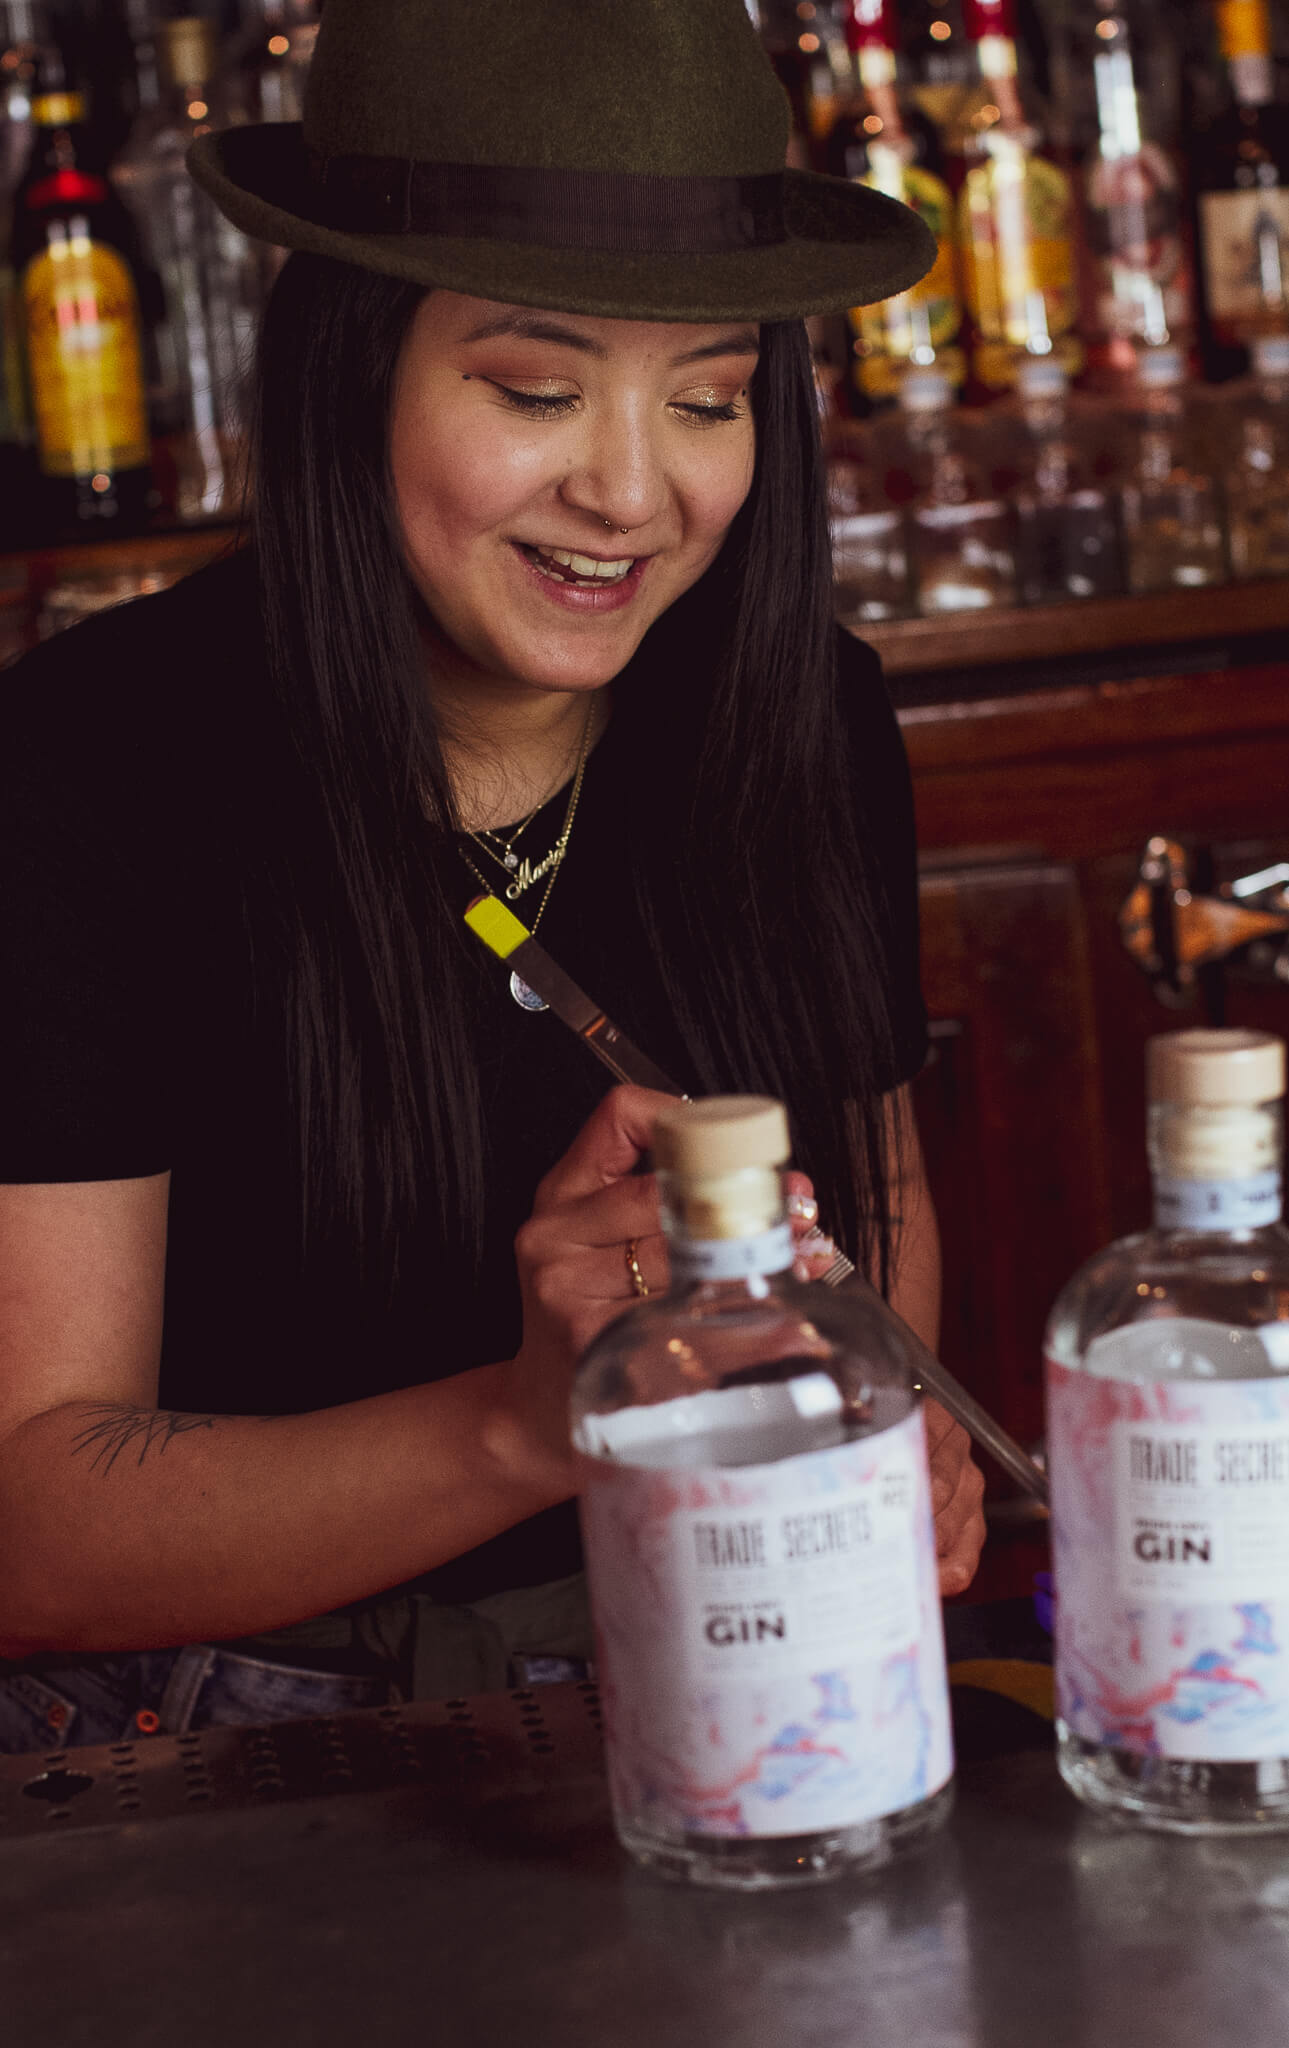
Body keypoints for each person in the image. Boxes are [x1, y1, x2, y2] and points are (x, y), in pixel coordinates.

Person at [0, 0, 986, 1753]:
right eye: (535, 391)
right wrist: (531, 1422)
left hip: (736, 1680)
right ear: (347, 372)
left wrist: (873, 1426)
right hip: (234, 1769)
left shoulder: (806, 713)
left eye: (706, 400)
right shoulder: (86, 765)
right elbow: (30, 1526)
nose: (629, 490)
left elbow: (878, 1215)